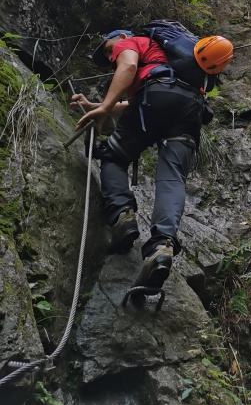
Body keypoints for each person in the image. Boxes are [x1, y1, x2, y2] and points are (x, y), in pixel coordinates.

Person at [71, 29, 205, 293]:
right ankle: (161, 247)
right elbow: (133, 102)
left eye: (108, 49)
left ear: (120, 37)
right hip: (191, 107)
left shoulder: (130, 43)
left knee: (113, 155)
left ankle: (122, 216)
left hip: (155, 97)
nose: (111, 58)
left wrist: (104, 107)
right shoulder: (166, 59)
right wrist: (97, 106)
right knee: (173, 176)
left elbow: (129, 66)